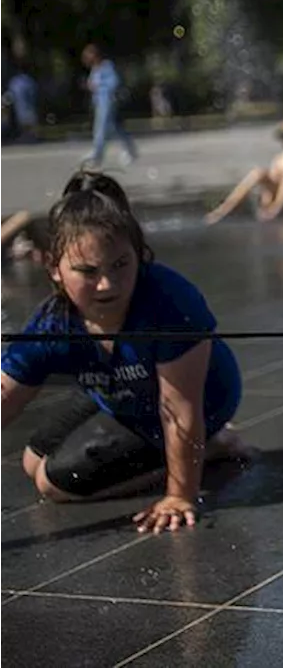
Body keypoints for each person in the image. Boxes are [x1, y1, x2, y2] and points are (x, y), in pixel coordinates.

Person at [0, 172, 249, 532]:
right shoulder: (53, 322)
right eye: (87, 271)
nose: (107, 284)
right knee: (30, 462)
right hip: (121, 392)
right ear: (54, 268)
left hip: (201, 399)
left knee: (53, 484)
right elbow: (5, 395)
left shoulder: (168, 301)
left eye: (120, 265)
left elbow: (178, 408)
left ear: (139, 254)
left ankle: (212, 443)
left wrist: (180, 494)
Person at [204, 118, 283, 224]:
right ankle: (225, 209)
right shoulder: (281, 157)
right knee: (257, 172)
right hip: (279, 197)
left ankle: (274, 211)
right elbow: (272, 179)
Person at [81, 43, 139, 168]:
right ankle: (130, 150)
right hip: (100, 102)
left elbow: (114, 82)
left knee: (100, 129)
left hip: (107, 102)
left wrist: (98, 85)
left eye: (88, 56)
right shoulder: (95, 69)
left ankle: (97, 155)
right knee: (115, 128)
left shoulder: (106, 66)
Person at [6, 63, 39, 143]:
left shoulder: (14, 82)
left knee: (23, 124)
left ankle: (26, 138)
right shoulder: (30, 81)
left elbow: (10, 97)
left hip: (20, 108)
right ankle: (32, 138)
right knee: (30, 124)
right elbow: (34, 94)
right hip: (30, 108)